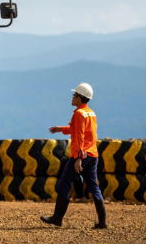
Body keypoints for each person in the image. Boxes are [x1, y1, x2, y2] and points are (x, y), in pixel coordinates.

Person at [40, 82, 107, 229]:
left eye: (74, 95)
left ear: (80, 97)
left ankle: (57, 218)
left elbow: (80, 136)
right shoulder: (90, 112)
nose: (72, 97)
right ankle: (102, 222)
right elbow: (77, 130)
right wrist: (60, 129)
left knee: (63, 184)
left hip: (81, 155)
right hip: (93, 154)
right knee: (93, 186)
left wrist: (78, 158)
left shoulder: (78, 113)